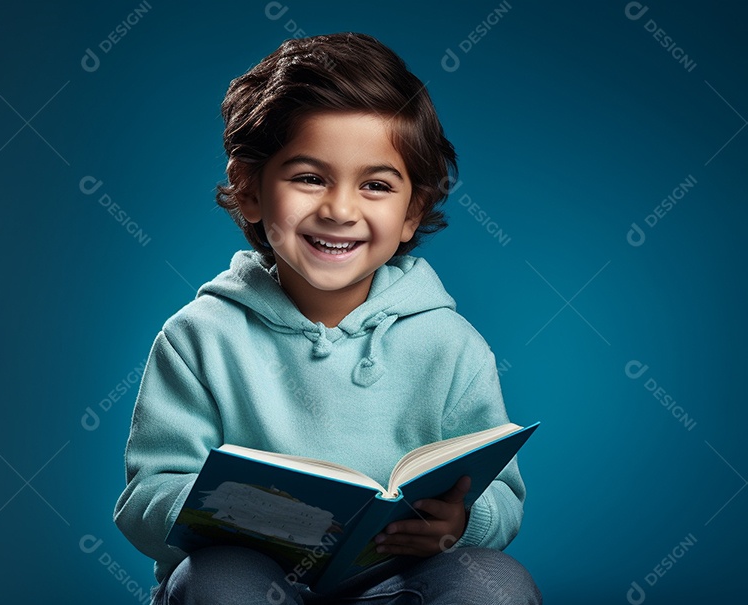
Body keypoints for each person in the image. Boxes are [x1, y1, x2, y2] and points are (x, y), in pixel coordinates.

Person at [113, 32, 541, 604]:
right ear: (249, 191)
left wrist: (460, 523)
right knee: (217, 583)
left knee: (496, 588)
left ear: (412, 211)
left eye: (375, 185)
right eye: (310, 177)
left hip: (395, 584)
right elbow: (146, 499)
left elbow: (502, 497)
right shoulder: (199, 338)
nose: (340, 209)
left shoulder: (451, 345)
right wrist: (233, 510)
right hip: (254, 582)